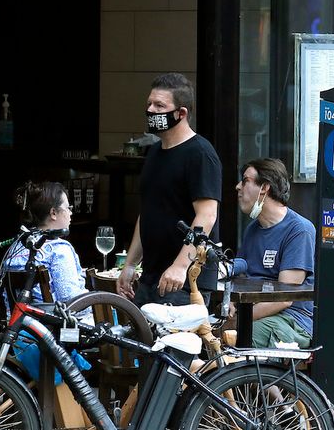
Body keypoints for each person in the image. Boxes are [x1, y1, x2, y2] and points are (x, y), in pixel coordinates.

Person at [118, 73, 223, 307]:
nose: (151, 110)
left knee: (175, 344)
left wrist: (180, 265)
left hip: (185, 281)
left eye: (160, 105)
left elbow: (207, 215)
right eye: (149, 104)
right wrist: (130, 264)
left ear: (181, 113)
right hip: (150, 276)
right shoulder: (154, 152)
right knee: (140, 343)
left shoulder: (200, 154)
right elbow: (147, 213)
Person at [233, 158, 317, 347]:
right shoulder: (253, 229)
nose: (238, 187)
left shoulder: (299, 230)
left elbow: (285, 298)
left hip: (291, 321)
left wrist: (239, 318)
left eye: (245, 180)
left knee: (239, 338)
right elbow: (240, 276)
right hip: (253, 314)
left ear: (264, 187)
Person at [2, 180, 89, 305]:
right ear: (53, 213)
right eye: (68, 208)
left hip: (20, 322)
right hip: (55, 322)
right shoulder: (59, 250)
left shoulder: (17, 246)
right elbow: (71, 301)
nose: (70, 213)